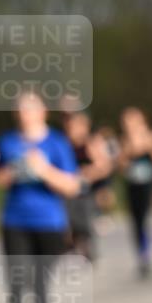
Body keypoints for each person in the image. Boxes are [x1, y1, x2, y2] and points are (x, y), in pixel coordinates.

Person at [0, 91, 80, 303]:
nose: (26, 114)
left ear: (43, 111)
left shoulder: (56, 142)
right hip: (14, 220)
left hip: (49, 222)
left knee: (41, 285)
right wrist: (11, 172)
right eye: (21, 109)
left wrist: (43, 170)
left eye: (31, 108)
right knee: (17, 284)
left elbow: (72, 185)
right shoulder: (7, 142)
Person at [118, 107, 152, 277]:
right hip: (133, 184)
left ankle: (148, 250)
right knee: (136, 220)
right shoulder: (124, 140)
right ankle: (141, 255)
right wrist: (129, 150)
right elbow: (121, 164)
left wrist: (148, 146)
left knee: (146, 218)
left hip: (148, 183)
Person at [63, 108, 112, 262]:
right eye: (69, 125)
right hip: (68, 189)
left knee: (84, 221)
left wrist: (86, 174)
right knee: (67, 221)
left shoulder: (92, 143)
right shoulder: (64, 143)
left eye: (76, 125)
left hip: (88, 190)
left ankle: (88, 249)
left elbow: (105, 167)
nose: (72, 129)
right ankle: (74, 245)